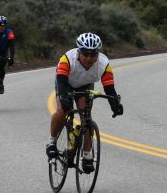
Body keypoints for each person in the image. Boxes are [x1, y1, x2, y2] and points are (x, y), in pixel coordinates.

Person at [47, 32, 123, 172]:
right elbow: (61, 81)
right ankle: (51, 142)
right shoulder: (67, 59)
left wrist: (115, 104)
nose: (89, 58)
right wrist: (64, 98)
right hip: (65, 84)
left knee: (86, 119)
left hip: (85, 86)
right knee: (62, 111)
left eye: (93, 55)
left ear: (97, 54)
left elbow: (109, 87)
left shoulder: (104, 64)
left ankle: (87, 156)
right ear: (79, 52)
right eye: (85, 54)